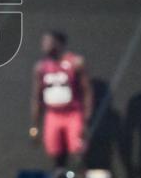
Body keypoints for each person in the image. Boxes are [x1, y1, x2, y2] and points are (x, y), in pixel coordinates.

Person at [29, 30, 93, 169]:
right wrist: (35, 126)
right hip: (53, 114)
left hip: (73, 113)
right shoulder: (41, 67)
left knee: (78, 152)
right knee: (54, 152)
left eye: (47, 41)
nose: (44, 45)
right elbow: (37, 97)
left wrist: (86, 119)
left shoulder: (75, 63)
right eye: (43, 42)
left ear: (58, 43)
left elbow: (87, 91)